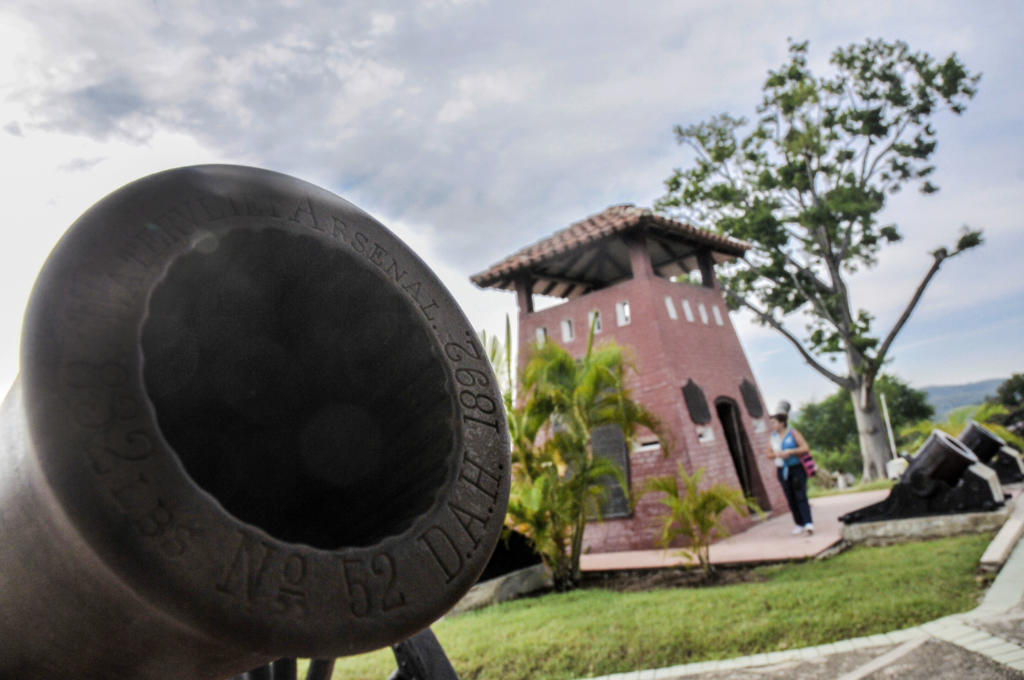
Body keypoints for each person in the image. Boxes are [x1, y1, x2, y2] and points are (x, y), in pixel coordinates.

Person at [767, 401, 814, 535]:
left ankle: (808, 523)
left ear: (782, 423)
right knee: (790, 497)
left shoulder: (793, 433)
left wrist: (791, 452)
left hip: (796, 467)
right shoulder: (773, 438)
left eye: (774, 422)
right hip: (782, 469)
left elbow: (805, 447)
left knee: (800, 495)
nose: (773, 425)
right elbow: (768, 454)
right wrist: (777, 454)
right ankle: (798, 523)